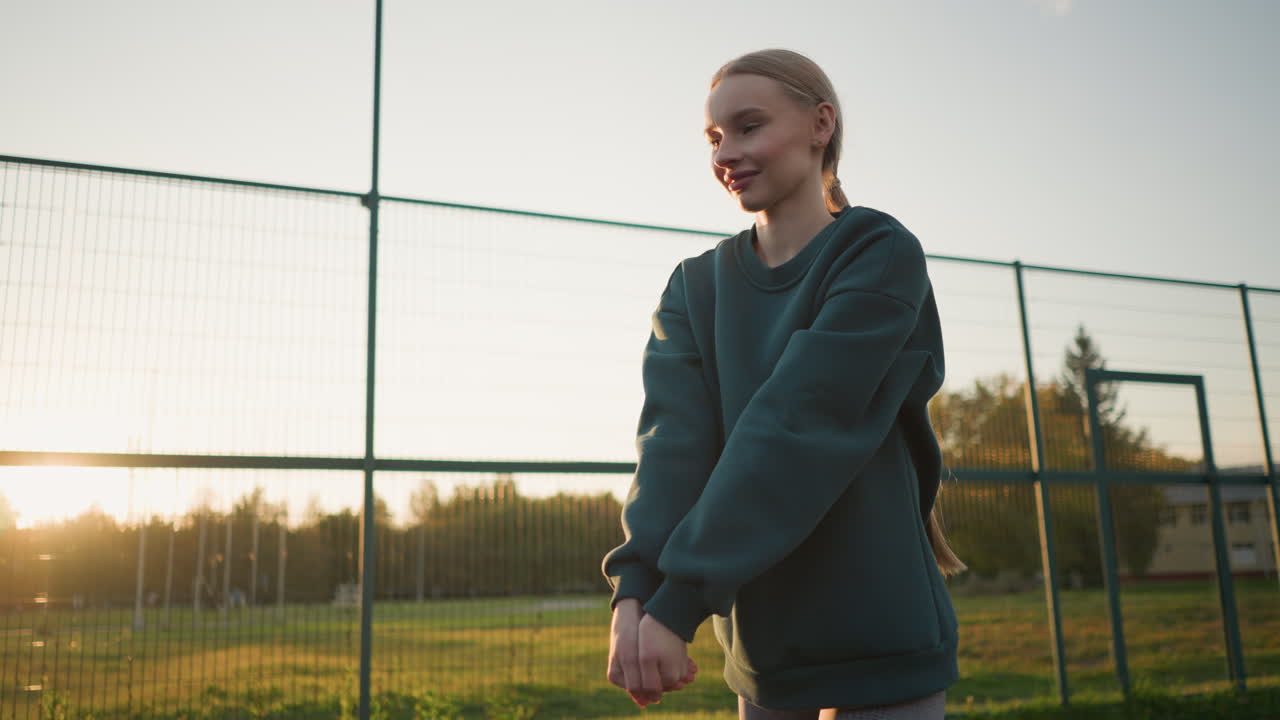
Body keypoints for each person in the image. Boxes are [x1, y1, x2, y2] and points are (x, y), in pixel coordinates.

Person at [601, 48, 967, 720]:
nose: (726, 154)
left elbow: (798, 425)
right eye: (714, 138)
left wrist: (677, 601)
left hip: (881, 634)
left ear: (820, 124)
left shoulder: (879, 252)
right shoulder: (694, 286)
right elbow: (671, 450)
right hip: (765, 653)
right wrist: (635, 594)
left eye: (747, 127)